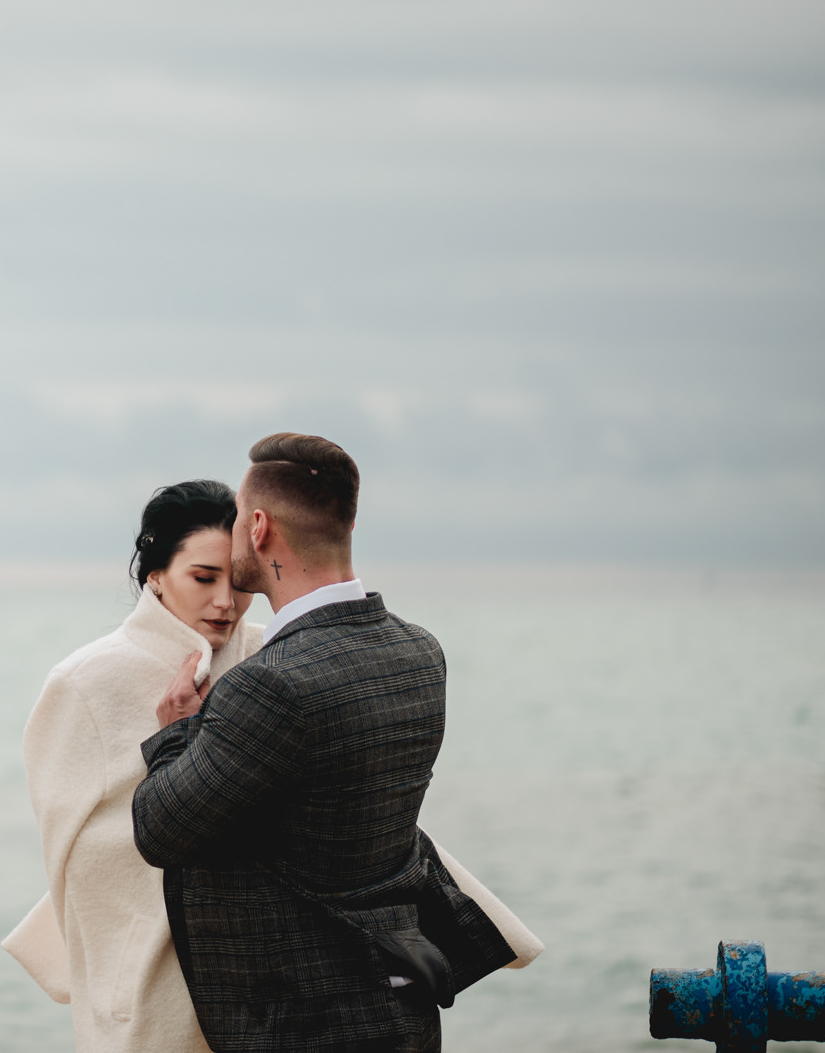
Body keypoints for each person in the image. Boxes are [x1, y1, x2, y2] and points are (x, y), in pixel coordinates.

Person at [132, 433, 531, 1053]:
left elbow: (161, 829)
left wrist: (175, 732)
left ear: (259, 527)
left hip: (306, 1028)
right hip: (403, 1013)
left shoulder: (269, 684)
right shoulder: (420, 652)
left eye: (237, 519)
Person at [5, 480, 266, 1052]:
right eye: (203, 578)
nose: (225, 600)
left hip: (272, 978)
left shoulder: (272, 659)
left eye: (239, 581)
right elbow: (69, 858)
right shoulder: (86, 681)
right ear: (155, 574)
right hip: (149, 978)